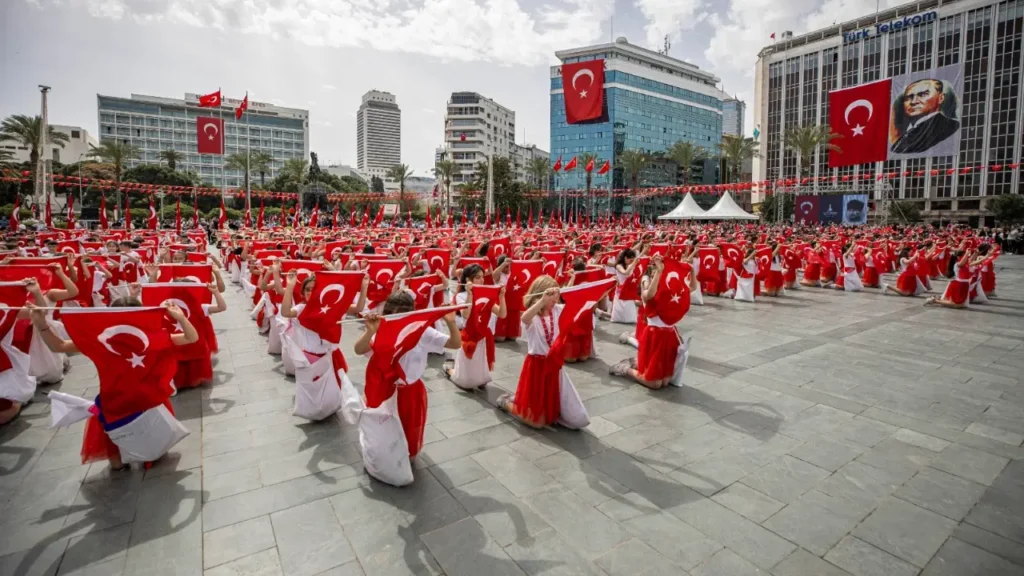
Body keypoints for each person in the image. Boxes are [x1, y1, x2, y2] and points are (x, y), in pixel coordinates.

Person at [28, 299, 198, 471]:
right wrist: (42, 324)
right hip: (124, 401)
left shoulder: (143, 338)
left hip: (136, 401)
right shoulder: (106, 340)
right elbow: (59, 346)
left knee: (135, 455)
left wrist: (181, 318)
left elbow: (59, 346)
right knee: (122, 460)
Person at [354, 293, 460, 458]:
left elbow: (455, 343)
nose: (398, 320)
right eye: (393, 315)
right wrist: (370, 331)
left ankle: (405, 457)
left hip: (410, 391)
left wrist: (451, 322)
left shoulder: (422, 331)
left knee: (408, 430)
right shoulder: (381, 328)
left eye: (403, 315)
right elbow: (359, 349)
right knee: (382, 432)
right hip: (383, 389)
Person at [495, 276, 566, 428]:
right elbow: (525, 318)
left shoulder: (557, 310)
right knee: (538, 422)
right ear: (540, 295)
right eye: (552, 296)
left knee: (551, 415)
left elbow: (579, 302)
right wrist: (543, 301)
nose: (555, 299)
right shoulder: (532, 316)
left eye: (557, 295)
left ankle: (520, 400)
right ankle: (506, 403)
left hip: (552, 364)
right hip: (536, 366)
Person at [610, 255, 687, 389]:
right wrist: (658, 271)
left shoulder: (667, 290)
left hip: (669, 336)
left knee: (665, 381)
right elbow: (649, 295)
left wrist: (691, 271)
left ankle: (637, 362)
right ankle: (624, 369)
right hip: (654, 335)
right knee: (655, 384)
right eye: (655, 272)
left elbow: (689, 289)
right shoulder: (646, 288)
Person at [890, 79, 960, 154]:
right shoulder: (908, 130)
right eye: (909, 97)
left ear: (941, 98)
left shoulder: (949, 126)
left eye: (923, 95)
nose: (914, 102)